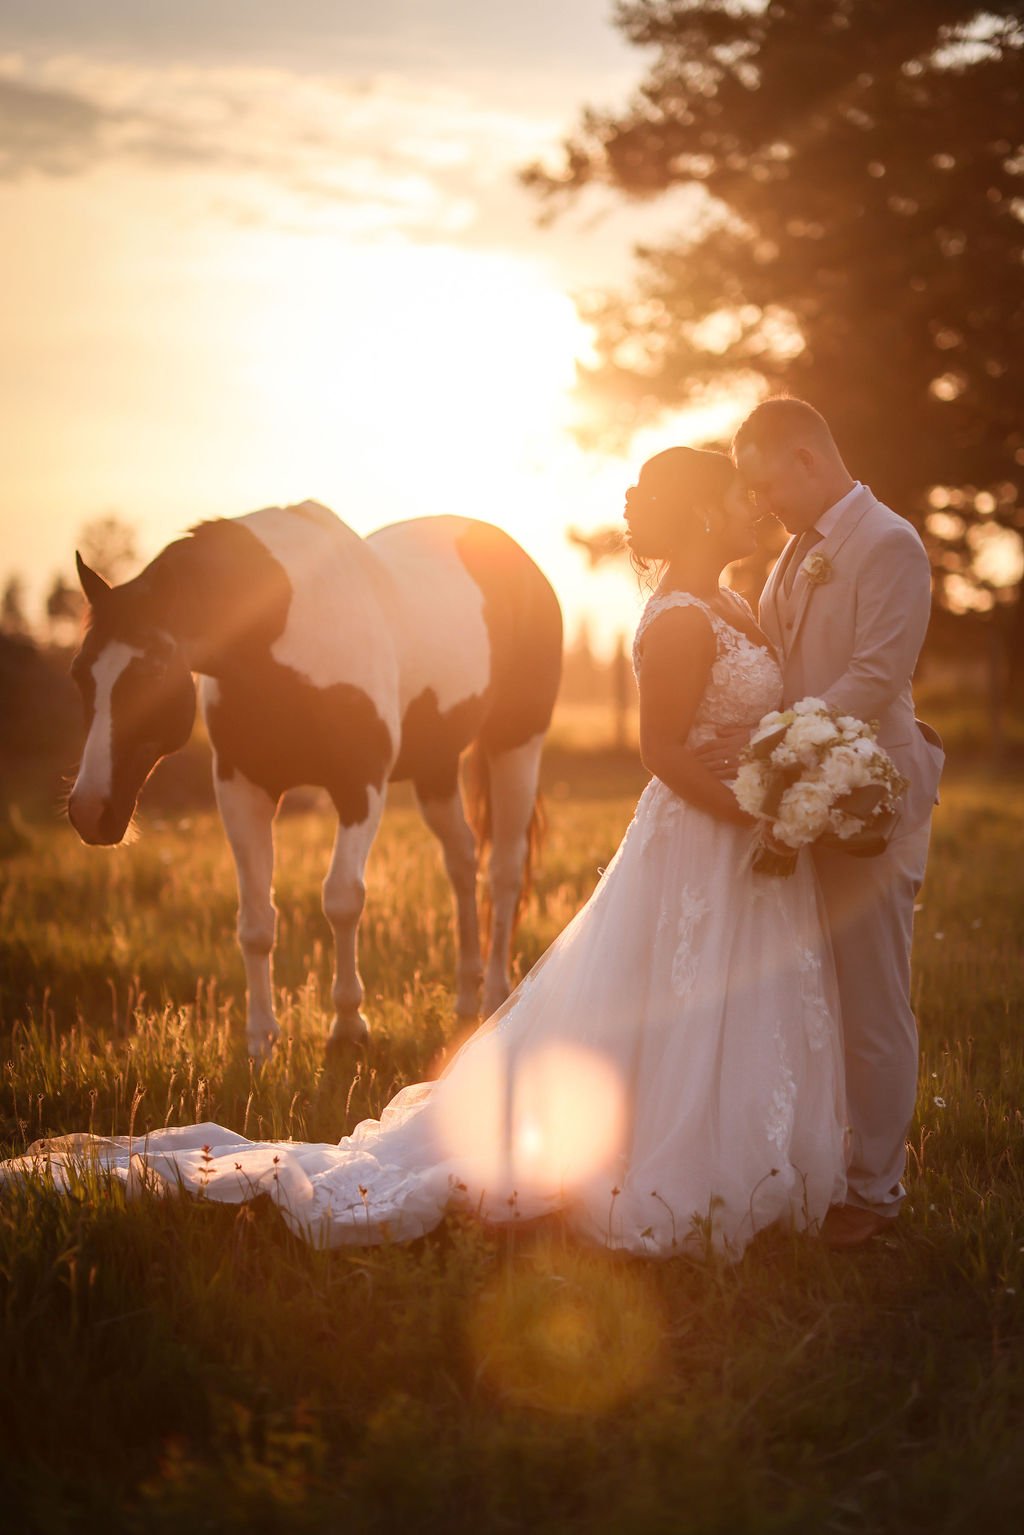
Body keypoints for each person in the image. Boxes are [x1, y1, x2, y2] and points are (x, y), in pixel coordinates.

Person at [1, 448, 847, 1260]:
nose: (758, 503)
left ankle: (737, 1148)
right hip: (712, 831)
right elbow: (664, 747)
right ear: (704, 510)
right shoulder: (682, 618)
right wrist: (759, 804)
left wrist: (812, 764)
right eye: (739, 493)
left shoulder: (747, 601)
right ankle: (678, 1159)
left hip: (745, 838)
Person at [701, 398, 943, 1249]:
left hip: (869, 793)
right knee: (818, 995)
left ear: (807, 459)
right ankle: (823, 1163)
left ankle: (876, 1192)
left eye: (768, 483)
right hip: (802, 792)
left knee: (873, 996)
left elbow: (876, 677)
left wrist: (770, 744)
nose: (763, 504)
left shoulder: (890, 544)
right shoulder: (794, 554)